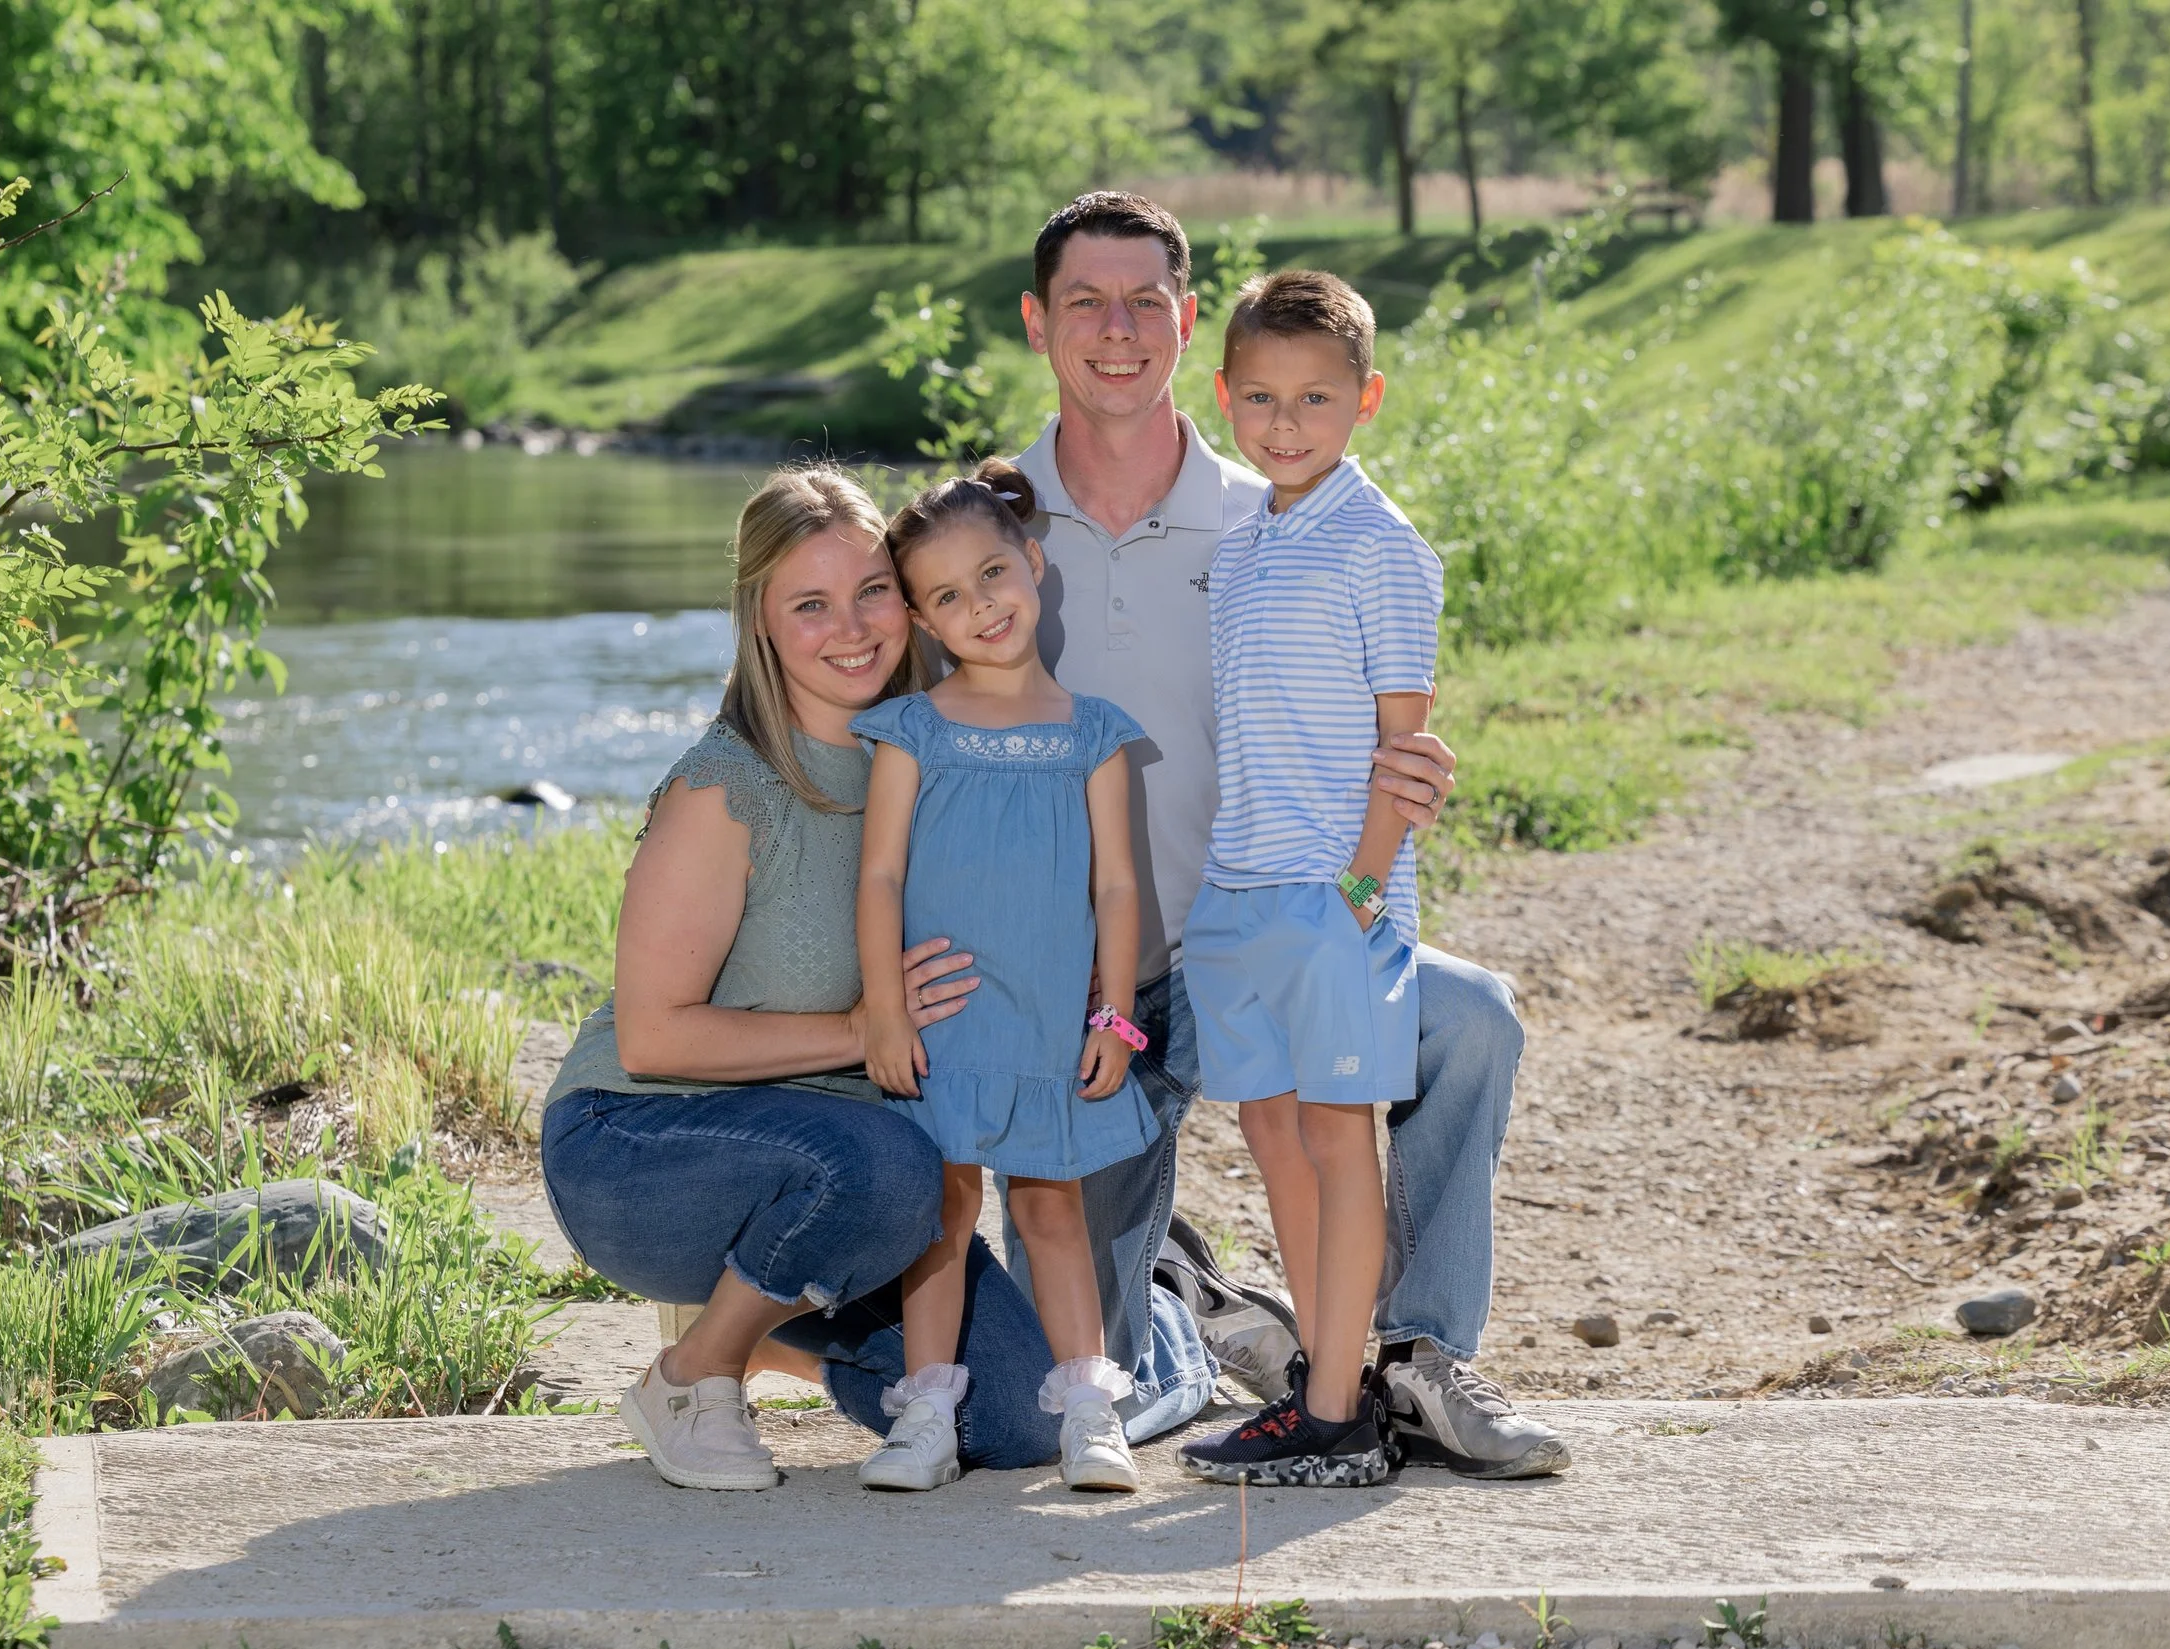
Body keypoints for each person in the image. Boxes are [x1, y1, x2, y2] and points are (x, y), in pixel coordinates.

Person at [1011, 191, 1570, 1480]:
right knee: (1032, 1391)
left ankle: (1400, 1363)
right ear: (1040, 321)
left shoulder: (1277, 510)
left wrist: (1377, 858)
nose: (1115, 330)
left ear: (1184, 322)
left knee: (1461, 1023)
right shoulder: (993, 523)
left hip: (1302, 906)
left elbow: (1389, 713)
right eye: (1086, 303)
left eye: (1143, 300)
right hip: (1126, 958)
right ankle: (1226, 1315)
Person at [541, 466, 1066, 1490]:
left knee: (1016, 1415)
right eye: (810, 604)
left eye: (873, 590)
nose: (853, 627)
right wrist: (864, 1027)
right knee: (889, 1168)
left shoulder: (932, 759)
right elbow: (654, 1036)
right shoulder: (725, 786)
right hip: (642, 1147)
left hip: (856, 1177)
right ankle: (694, 1372)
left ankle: (771, 1312)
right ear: (762, 622)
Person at [1176, 270, 1441, 1488]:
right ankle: (1320, 1384)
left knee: (1340, 1133)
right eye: (1262, 398)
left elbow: (1407, 744)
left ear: (1366, 399)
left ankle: (1342, 1409)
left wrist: (1365, 893)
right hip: (1239, 893)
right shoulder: (1243, 545)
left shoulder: (1384, 549)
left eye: (1316, 398)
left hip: (1338, 895)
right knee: (1272, 1132)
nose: (1285, 423)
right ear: (1224, 394)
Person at [851, 460, 1154, 1494]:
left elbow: (1118, 888)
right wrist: (882, 1010)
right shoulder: (915, 730)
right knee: (939, 1214)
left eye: (992, 572)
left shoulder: (1093, 733)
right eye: (947, 595)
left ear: (1033, 561)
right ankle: (927, 1412)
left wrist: (1115, 1016)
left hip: (1040, 1020)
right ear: (925, 622)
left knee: (1049, 1206)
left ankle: (1091, 1415)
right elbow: (881, 872)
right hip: (941, 1024)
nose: (980, 605)